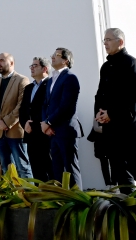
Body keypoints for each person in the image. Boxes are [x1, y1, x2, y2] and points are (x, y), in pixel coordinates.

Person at [94, 28, 136, 192]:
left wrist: (111, 113)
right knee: (121, 174)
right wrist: (99, 113)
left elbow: (132, 96)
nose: (105, 43)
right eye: (104, 40)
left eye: (108, 40)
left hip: (129, 128)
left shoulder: (132, 63)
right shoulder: (106, 67)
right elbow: (100, 94)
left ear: (120, 42)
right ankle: (130, 209)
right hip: (111, 129)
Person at [41, 47, 83, 188]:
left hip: (66, 130)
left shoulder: (70, 78)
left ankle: (78, 201)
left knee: (70, 168)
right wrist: (44, 123)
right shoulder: (51, 79)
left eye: (57, 55)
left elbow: (67, 107)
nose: (52, 56)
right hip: (52, 131)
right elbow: (45, 104)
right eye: (52, 54)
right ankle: (60, 200)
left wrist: (49, 122)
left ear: (65, 60)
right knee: (57, 170)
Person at [0, 53, 32, 177]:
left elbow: (22, 105)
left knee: (22, 167)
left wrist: (6, 122)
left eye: (2, 60)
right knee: (6, 170)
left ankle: (27, 194)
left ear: (11, 63)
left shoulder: (22, 80)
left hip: (16, 132)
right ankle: (12, 195)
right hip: (0, 134)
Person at [20, 57, 51, 181]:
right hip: (31, 134)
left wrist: (39, 124)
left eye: (35, 65)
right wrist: (24, 124)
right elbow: (22, 110)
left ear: (45, 68)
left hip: (45, 133)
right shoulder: (28, 88)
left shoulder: (50, 84)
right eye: (31, 65)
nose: (32, 68)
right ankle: (40, 197)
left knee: (50, 168)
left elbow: (49, 107)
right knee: (36, 169)